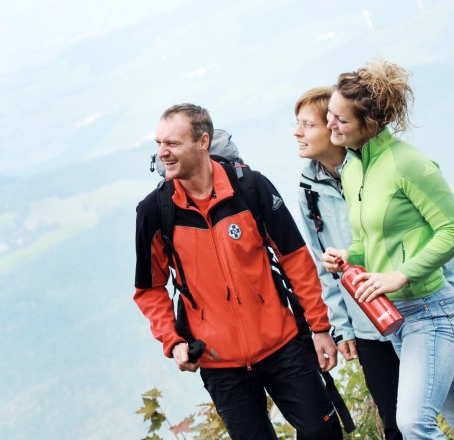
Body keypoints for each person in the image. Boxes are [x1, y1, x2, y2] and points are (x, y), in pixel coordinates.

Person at [134, 103, 343, 439]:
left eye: (172, 144)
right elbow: (149, 289)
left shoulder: (251, 188)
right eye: (158, 144)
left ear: (202, 142)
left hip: (282, 345)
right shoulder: (155, 212)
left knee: (323, 433)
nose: (162, 153)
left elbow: (296, 260)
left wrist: (319, 328)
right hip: (220, 364)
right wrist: (173, 342)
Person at [295, 86, 454, 440]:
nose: (330, 123)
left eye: (340, 118)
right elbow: (368, 239)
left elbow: (453, 231)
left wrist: (401, 275)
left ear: (369, 124)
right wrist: (350, 255)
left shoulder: (407, 163)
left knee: (414, 425)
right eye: (330, 115)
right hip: (394, 318)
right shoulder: (355, 172)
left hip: (431, 309)